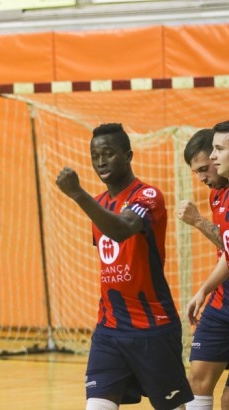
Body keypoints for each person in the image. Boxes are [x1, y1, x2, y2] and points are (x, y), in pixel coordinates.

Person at [55, 123, 194, 409]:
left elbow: (122, 230)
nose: (101, 161)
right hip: (110, 329)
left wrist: (78, 194)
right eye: (95, 155)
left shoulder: (148, 196)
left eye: (108, 153)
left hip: (153, 327)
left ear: (128, 155)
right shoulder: (99, 204)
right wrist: (86, 199)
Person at [185, 121, 229, 409]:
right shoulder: (217, 195)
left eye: (218, 150)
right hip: (223, 299)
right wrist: (205, 291)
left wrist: (198, 221)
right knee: (197, 380)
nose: (212, 159)